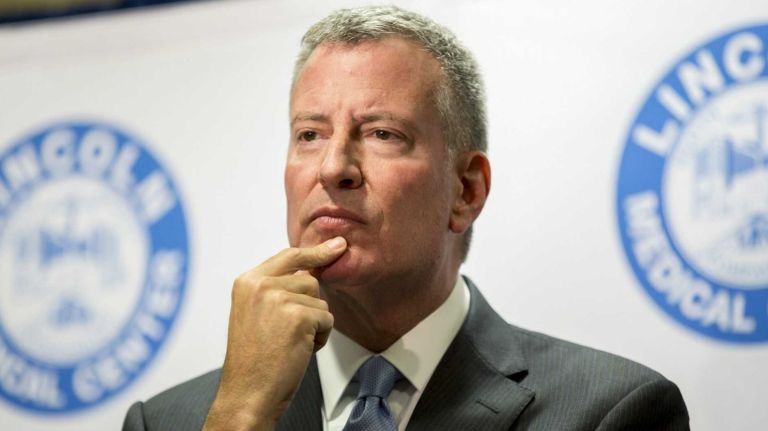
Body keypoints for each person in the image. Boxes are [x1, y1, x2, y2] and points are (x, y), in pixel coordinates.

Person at [123, 5, 689, 430]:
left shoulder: (610, 412)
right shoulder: (174, 421)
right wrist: (240, 416)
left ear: (465, 191)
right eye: (310, 134)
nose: (333, 168)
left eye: (381, 134)